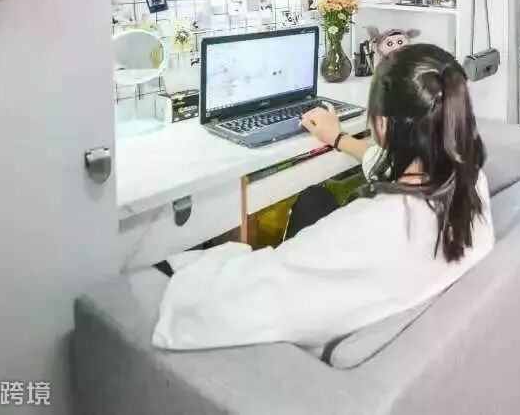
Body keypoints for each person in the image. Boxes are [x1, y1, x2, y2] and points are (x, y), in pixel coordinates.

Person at [152, 43, 494, 351]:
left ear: (381, 125)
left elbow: (230, 305)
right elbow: (392, 165)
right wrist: (339, 138)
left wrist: (199, 263)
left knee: (170, 266)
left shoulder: (361, 231)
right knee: (314, 200)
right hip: (398, 303)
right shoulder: (469, 181)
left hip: (293, 341)